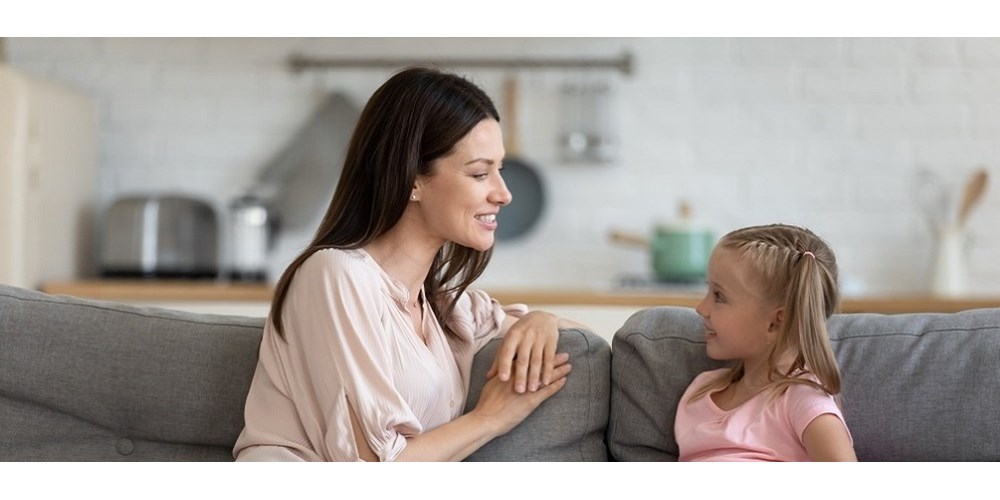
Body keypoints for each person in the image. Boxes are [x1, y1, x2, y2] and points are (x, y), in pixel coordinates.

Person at [233, 67, 586, 462]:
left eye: (499, 170)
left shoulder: (446, 308)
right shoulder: (334, 276)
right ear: (413, 179)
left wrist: (542, 320)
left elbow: (587, 342)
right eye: (480, 173)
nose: (503, 194)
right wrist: (489, 418)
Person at [674, 223, 857, 461]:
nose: (701, 308)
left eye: (719, 296)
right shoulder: (699, 391)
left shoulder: (802, 400)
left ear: (776, 322)